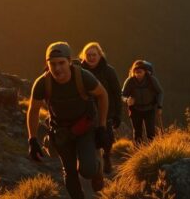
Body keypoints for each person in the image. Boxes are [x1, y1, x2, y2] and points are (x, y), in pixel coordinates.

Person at [27, 41, 111, 199]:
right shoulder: (42, 83)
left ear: (69, 62)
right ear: (47, 64)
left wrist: (102, 127)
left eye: (61, 63)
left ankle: (97, 168)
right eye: (52, 64)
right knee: (70, 171)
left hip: (85, 127)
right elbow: (33, 110)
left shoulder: (83, 77)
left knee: (87, 170)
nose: (57, 68)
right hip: (61, 132)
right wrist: (32, 139)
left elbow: (103, 95)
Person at [79, 41, 122, 174]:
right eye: (88, 54)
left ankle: (106, 156)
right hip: (86, 113)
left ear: (100, 55)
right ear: (84, 56)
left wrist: (118, 115)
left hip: (107, 112)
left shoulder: (109, 71)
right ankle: (95, 165)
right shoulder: (78, 72)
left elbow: (116, 93)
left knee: (107, 139)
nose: (91, 57)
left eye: (94, 55)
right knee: (89, 140)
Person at [121, 59, 163, 143]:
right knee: (137, 133)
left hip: (150, 109)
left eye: (140, 72)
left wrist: (159, 106)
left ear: (145, 71)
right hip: (135, 109)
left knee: (151, 133)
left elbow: (160, 92)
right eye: (136, 72)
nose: (138, 74)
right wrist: (126, 100)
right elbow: (122, 95)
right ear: (133, 72)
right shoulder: (130, 81)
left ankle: (152, 152)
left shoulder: (151, 80)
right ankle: (138, 151)